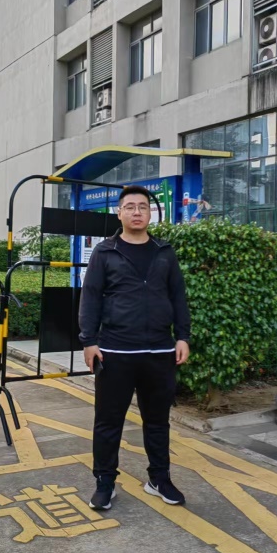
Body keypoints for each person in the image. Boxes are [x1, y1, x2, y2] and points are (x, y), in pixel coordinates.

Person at [79, 185, 191, 511]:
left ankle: (159, 479)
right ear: (119, 213)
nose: (137, 212)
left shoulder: (164, 251)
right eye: (130, 207)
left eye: (143, 206)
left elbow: (178, 296)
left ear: (149, 213)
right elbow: (90, 297)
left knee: (157, 421)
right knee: (108, 421)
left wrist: (183, 336)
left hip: (159, 351)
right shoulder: (105, 251)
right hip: (115, 351)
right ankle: (105, 482)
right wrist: (89, 341)